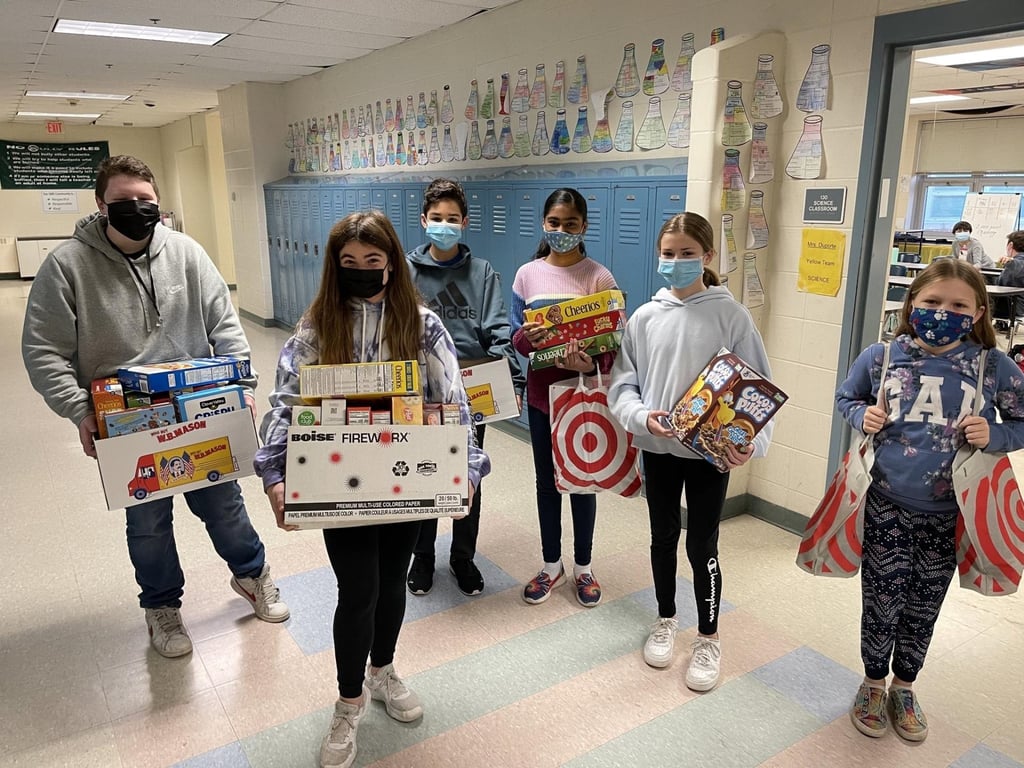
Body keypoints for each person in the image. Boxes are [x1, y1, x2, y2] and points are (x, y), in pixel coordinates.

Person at [20, 154, 288, 659]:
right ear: (101, 205)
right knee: (148, 523)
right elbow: (42, 350)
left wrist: (242, 386)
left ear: (158, 203)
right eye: (123, 202)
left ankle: (253, 576)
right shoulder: (67, 265)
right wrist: (80, 409)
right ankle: (161, 607)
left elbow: (225, 326)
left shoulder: (186, 253)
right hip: (125, 422)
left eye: (146, 202)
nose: (137, 210)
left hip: (200, 410)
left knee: (224, 506)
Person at [253, 210, 490, 768]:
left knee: (391, 583)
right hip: (338, 485)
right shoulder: (316, 327)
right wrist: (274, 472)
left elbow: (454, 403)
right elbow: (286, 403)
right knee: (357, 590)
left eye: (373, 261)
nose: (361, 270)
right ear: (335, 267)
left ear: (391, 264)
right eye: (349, 262)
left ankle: (382, 670)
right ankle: (349, 701)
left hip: (407, 484)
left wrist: (468, 472)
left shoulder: (423, 325)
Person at [835, 258, 1024, 742]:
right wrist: (862, 417)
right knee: (882, 600)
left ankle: (905, 685)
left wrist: (996, 434)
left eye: (958, 305)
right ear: (911, 305)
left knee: (924, 604)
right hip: (886, 504)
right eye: (932, 302)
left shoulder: (992, 366)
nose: (944, 312)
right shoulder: (881, 357)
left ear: (979, 311)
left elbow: (1021, 422)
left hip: (951, 514)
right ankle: (873, 683)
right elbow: (846, 398)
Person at [607, 212, 773, 693]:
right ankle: (665, 619)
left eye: (686, 254)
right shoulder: (644, 316)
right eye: (668, 253)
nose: (676, 262)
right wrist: (641, 417)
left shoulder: (730, 316)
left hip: (708, 456)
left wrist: (751, 443)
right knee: (662, 537)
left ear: (707, 257)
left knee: (702, 547)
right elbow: (623, 384)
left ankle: (708, 636)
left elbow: (757, 390)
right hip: (658, 448)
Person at [405, 178, 524, 597]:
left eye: (452, 219)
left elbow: (498, 332)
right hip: (419, 393)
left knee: (466, 472)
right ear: (423, 220)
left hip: (471, 391)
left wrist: (510, 379)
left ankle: (462, 557)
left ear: (465, 222)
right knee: (423, 473)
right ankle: (422, 557)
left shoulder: (482, 273)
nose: (444, 225)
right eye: (436, 218)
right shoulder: (405, 271)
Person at [510, 187, 619, 608]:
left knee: (582, 481)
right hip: (542, 397)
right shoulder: (527, 274)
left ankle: (584, 567)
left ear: (583, 227)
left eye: (570, 224)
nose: (561, 231)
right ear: (544, 224)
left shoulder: (599, 277)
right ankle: (551, 563)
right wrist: (529, 338)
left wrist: (587, 365)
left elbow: (612, 343)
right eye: (554, 223)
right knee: (546, 483)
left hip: (582, 395)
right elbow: (516, 337)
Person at [995, 230, 1024, 322]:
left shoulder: (1014, 263)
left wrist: (1010, 262)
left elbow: (1001, 286)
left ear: (1010, 245)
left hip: (1013, 308)